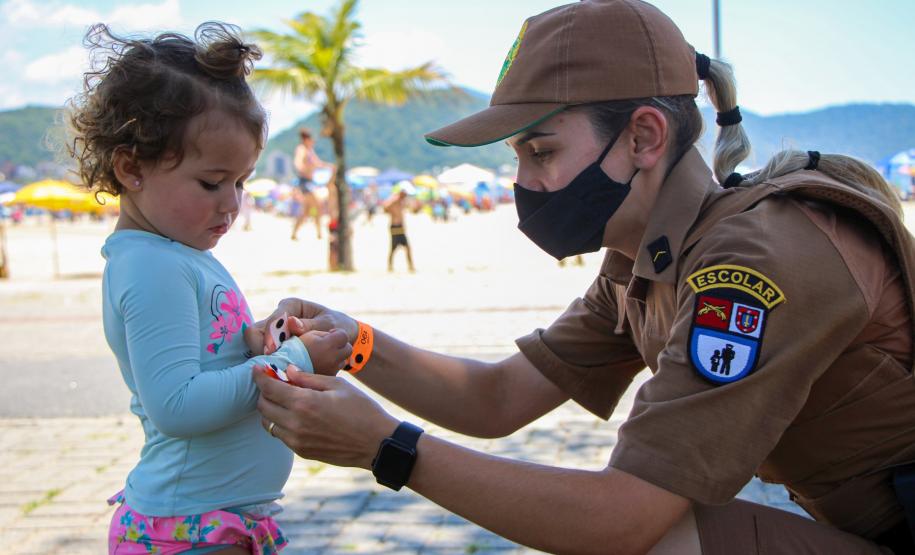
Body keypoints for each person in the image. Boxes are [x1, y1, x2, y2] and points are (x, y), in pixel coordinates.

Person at [244, 1, 915, 553]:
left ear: (643, 137)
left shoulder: (751, 260)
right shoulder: (643, 261)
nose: (523, 184)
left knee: (661, 541)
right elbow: (496, 397)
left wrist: (386, 447)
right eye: (518, 157)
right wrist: (351, 340)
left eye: (541, 152)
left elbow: (625, 518)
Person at [68, 22, 350, 554]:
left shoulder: (179, 252)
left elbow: (206, 357)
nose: (231, 204)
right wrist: (295, 359)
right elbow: (178, 404)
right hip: (189, 525)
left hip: (213, 516)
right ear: (131, 167)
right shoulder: (152, 266)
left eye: (240, 182)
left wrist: (255, 339)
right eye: (211, 182)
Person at [290, 129, 332, 241]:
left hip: (311, 182)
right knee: (318, 205)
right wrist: (300, 168)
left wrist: (329, 166)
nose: (313, 141)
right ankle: (319, 233)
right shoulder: (302, 149)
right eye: (312, 139)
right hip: (305, 182)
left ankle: (295, 233)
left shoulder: (310, 150)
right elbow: (297, 161)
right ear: (307, 139)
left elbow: (319, 163)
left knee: (306, 211)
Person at [383, 184, 416, 272]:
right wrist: (394, 200)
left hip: (400, 227)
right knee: (393, 247)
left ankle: (410, 266)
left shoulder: (402, 202)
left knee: (407, 247)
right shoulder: (394, 200)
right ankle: (390, 266)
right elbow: (385, 207)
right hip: (394, 226)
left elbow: (412, 209)